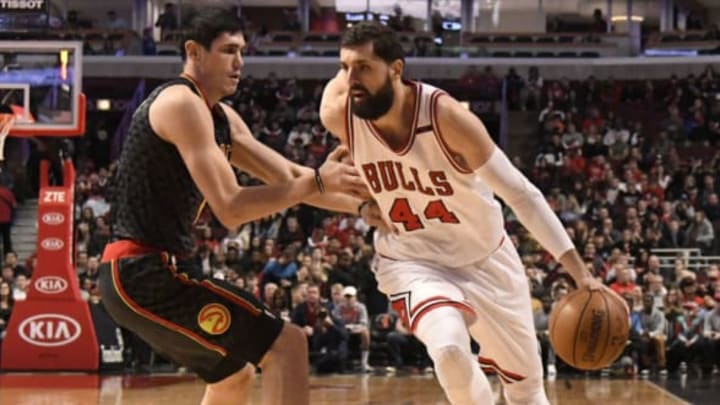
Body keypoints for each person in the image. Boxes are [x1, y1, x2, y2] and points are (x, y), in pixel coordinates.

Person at [320, 21, 623, 405]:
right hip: (414, 260)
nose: (351, 78)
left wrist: (581, 273)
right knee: (448, 350)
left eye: (363, 67)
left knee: (527, 391)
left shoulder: (446, 118)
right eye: (345, 67)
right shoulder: (339, 113)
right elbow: (316, 184)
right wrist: (362, 206)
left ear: (396, 69)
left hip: (486, 259)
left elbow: (522, 195)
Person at [97, 8, 376, 405]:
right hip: (143, 271)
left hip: (152, 272)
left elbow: (288, 175)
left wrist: (364, 209)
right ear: (194, 51)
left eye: (242, 51)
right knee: (288, 343)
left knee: (233, 377)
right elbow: (230, 207)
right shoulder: (180, 103)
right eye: (229, 50)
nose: (239, 62)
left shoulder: (221, 117)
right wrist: (315, 181)